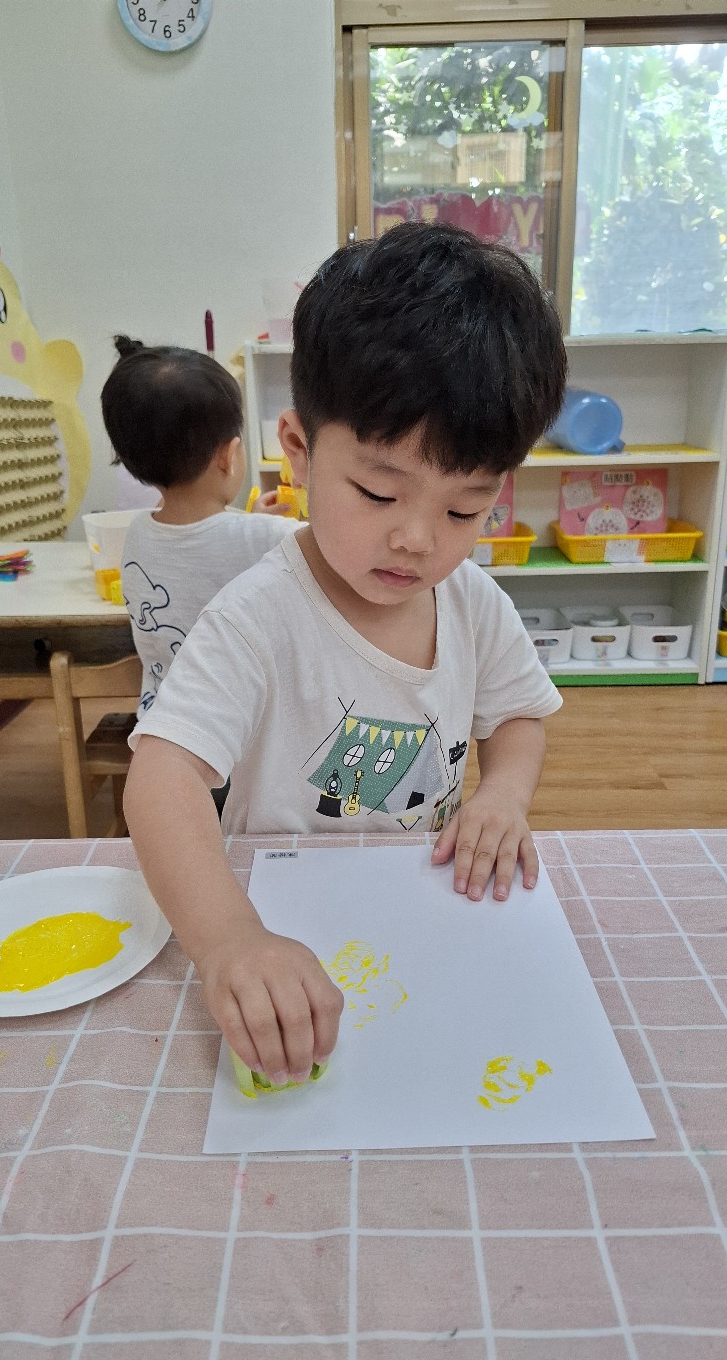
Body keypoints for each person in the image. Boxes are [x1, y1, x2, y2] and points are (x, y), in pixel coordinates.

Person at [123, 223, 568, 1090]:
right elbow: (162, 778)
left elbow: (516, 715)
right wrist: (228, 940)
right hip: (278, 914)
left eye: (464, 509)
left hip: (421, 902)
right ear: (296, 449)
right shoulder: (257, 615)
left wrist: (503, 795)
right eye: (376, 491)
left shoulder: (471, 601)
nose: (418, 539)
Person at [101, 336, 297, 716]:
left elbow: (201, 544)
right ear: (228, 456)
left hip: (162, 719)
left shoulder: (138, 532)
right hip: (234, 730)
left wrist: (252, 519)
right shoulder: (266, 537)